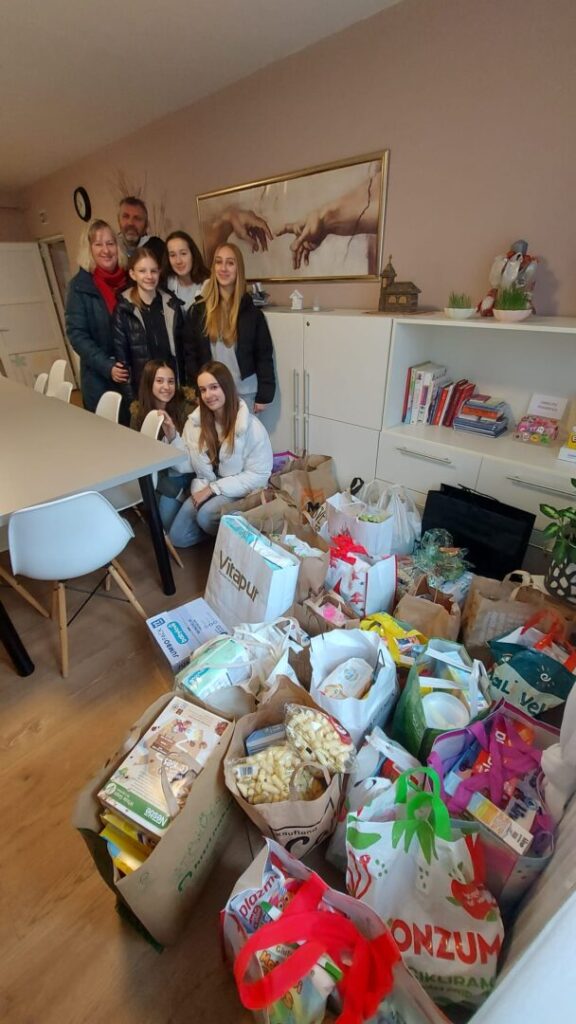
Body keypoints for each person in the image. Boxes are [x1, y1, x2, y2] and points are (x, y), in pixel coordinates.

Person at [169, 361, 273, 548]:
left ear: (226, 387)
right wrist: (171, 438)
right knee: (178, 537)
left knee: (205, 515)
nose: (208, 395)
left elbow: (259, 475)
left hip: (240, 489)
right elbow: (186, 464)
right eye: (203, 390)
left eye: (214, 387)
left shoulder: (252, 427)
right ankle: (222, 532)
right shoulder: (195, 423)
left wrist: (213, 489)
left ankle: (231, 538)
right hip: (207, 484)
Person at [183, 243, 275, 413]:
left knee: (242, 432)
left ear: (238, 268)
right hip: (211, 394)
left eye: (230, 263)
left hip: (244, 393)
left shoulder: (253, 314)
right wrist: (196, 389)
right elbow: (190, 355)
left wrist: (265, 394)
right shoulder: (198, 311)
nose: (223, 268)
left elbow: (264, 355)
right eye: (218, 262)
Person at [65, 219, 130, 414]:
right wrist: (107, 366)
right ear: (89, 249)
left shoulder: (132, 279)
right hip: (100, 379)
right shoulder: (79, 286)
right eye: (98, 244)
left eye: (110, 243)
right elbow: (77, 334)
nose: (106, 250)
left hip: (134, 374)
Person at [130, 359, 196, 530]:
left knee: (167, 523)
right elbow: (140, 458)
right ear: (148, 383)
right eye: (159, 381)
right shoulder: (139, 415)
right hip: (161, 476)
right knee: (163, 521)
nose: (166, 387)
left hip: (186, 471)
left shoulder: (187, 410)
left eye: (171, 381)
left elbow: (193, 458)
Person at [112, 247, 184, 402]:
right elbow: (123, 363)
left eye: (153, 271)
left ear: (159, 272)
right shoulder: (123, 310)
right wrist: (133, 401)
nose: (149, 276)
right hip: (144, 391)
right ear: (133, 274)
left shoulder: (171, 304)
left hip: (172, 387)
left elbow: (184, 351)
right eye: (142, 271)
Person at [162, 230, 209, 310]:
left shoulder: (209, 285)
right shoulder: (165, 286)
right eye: (172, 255)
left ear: (193, 254)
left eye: (183, 253)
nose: (178, 261)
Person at [117, 195, 166, 266]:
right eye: (126, 216)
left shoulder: (159, 249)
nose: (131, 223)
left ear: (146, 225)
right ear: (119, 221)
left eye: (137, 218)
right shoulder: (109, 249)